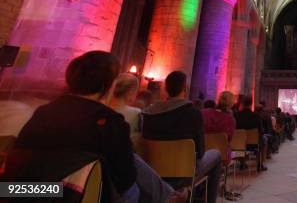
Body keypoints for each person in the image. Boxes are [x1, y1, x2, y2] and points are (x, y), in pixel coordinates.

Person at [10, 51, 178, 202]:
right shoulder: (110, 121)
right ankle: (170, 197)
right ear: (107, 85)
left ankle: (169, 196)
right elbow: (126, 179)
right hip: (76, 195)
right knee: (133, 190)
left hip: (22, 192)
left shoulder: (43, 112)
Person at [142, 71, 222, 203]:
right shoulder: (193, 113)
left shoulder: (149, 113)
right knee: (216, 155)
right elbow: (200, 152)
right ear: (185, 88)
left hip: (153, 170)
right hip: (184, 172)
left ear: (166, 88)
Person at [234, 95, 267, 171]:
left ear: (242, 103)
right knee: (263, 140)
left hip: (239, 144)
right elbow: (260, 130)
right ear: (251, 104)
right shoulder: (256, 116)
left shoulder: (236, 115)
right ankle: (260, 164)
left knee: (239, 142)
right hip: (254, 144)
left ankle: (242, 163)